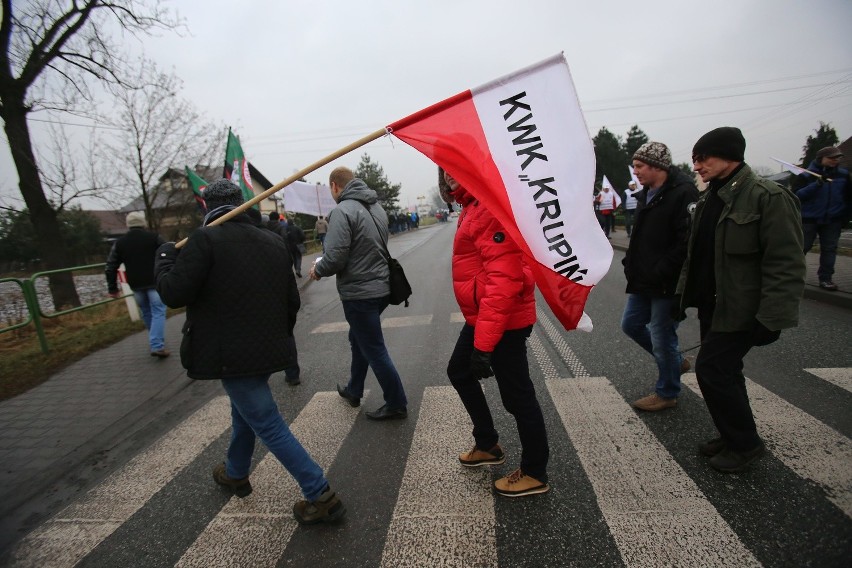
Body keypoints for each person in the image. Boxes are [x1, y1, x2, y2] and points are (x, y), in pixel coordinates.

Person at [154, 179, 344, 524]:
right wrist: (278, 337)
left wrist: (165, 258)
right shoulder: (272, 240)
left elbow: (172, 292)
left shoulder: (204, 239)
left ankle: (320, 494)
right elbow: (292, 300)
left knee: (267, 422)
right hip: (268, 347)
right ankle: (236, 471)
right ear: (241, 203)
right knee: (245, 412)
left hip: (230, 352)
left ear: (205, 206)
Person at [677, 127, 805, 473]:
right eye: (694, 159)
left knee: (712, 369)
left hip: (742, 308)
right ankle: (733, 435)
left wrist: (773, 316)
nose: (697, 165)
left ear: (728, 155)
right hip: (713, 303)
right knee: (726, 371)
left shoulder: (768, 197)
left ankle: (745, 445)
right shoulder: (711, 196)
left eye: (703, 157)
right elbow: (699, 253)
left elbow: (786, 261)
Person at [440, 167, 550, 498]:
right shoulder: (472, 205)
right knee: (459, 371)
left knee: (517, 396)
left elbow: (504, 280)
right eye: (442, 170)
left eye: (453, 166)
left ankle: (534, 471)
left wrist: (484, 346)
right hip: (485, 317)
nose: (447, 175)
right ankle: (487, 443)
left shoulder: (485, 207)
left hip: (504, 320)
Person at [309, 166, 408, 420]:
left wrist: (318, 269)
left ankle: (396, 402)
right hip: (382, 288)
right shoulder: (376, 207)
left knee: (373, 348)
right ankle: (354, 389)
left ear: (334, 186)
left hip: (359, 293)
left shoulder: (342, 211)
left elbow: (335, 257)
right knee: (359, 339)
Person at [622, 141, 699, 412]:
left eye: (640, 166)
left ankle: (667, 391)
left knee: (662, 334)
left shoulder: (684, 192)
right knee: (631, 325)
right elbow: (642, 234)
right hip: (644, 278)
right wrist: (630, 261)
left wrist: (661, 269)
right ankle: (676, 362)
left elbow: (686, 242)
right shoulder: (646, 192)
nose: (636, 172)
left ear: (658, 166)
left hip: (667, 280)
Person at [105, 211, 169, 358]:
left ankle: (156, 341)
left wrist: (112, 288)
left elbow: (111, 266)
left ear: (128, 225)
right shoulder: (154, 238)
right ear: (143, 223)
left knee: (146, 313)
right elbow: (168, 252)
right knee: (158, 311)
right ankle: (157, 344)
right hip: (154, 282)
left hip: (135, 284)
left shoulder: (120, 243)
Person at [249, 208, 301, 386]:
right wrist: (292, 307)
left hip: (255, 300)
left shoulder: (241, 242)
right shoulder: (276, 240)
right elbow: (288, 272)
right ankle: (292, 373)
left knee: (258, 340)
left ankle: (260, 377)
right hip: (278, 299)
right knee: (286, 336)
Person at [795, 146, 851, 291]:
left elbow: (848, 197)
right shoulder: (806, 175)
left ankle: (826, 279)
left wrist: (845, 216)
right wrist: (817, 184)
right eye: (831, 158)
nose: (835, 161)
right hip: (809, 219)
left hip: (833, 219)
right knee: (801, 248)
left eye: (837, 158)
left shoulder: (843, 176)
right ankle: (793, 276)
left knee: (830, 249)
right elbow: (796, 196)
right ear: (821, 158)